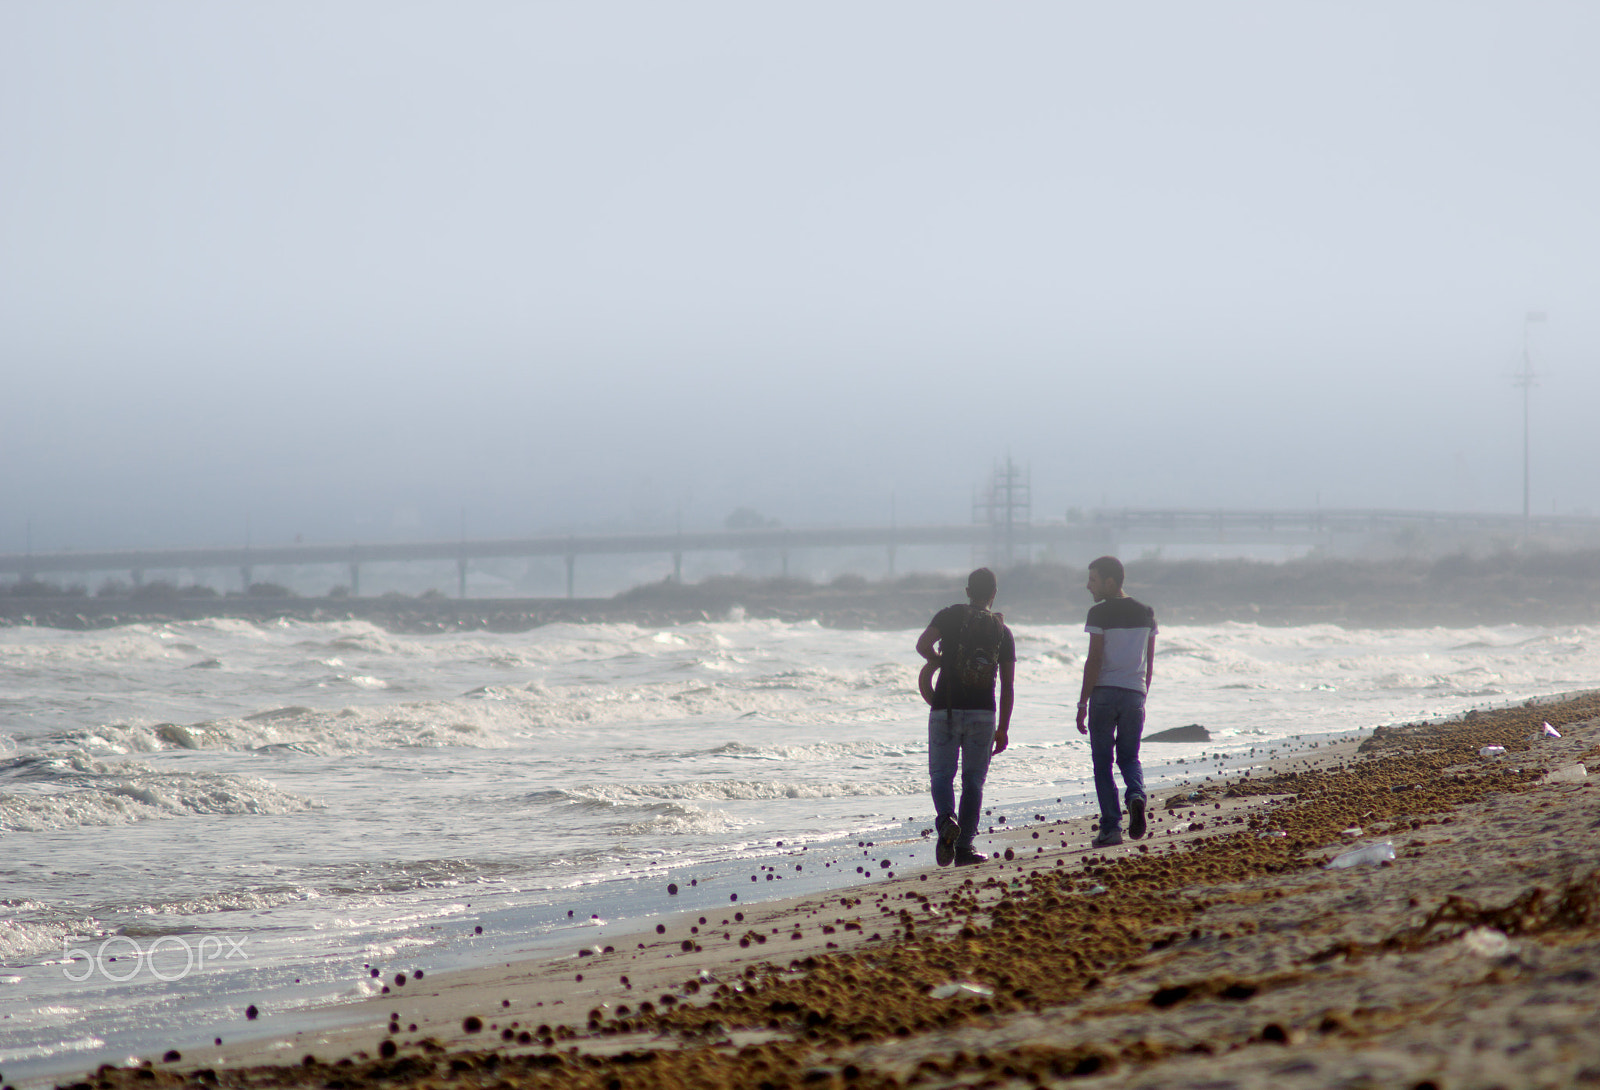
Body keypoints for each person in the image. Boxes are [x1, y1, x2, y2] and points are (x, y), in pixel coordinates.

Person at [915, 567, 1015, 866]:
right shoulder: (1002, 630)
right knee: (974, 781)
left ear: (968, 591)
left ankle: (947, 819)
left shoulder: (949, 615)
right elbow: (1008, 685)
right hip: (983, 714)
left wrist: (938, 663)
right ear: (994, 595)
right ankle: (964, 849)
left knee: (941, 775)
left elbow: (921, 645)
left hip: (944, 707)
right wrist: (1003, 728)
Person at [1075, 556, 1157, 848]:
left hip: (1105, 694)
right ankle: (1135, 795)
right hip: (1134, 693)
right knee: (1130, 757)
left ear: (1110, 582)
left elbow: (1094, 660)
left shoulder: (1099, 614)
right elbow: (1149, 663)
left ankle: (1111, 827)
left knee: (1102, 763)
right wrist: (1142, 695)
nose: (1088, 586)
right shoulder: (1147, 613)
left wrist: (1082, 703)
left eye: (1093, 579)